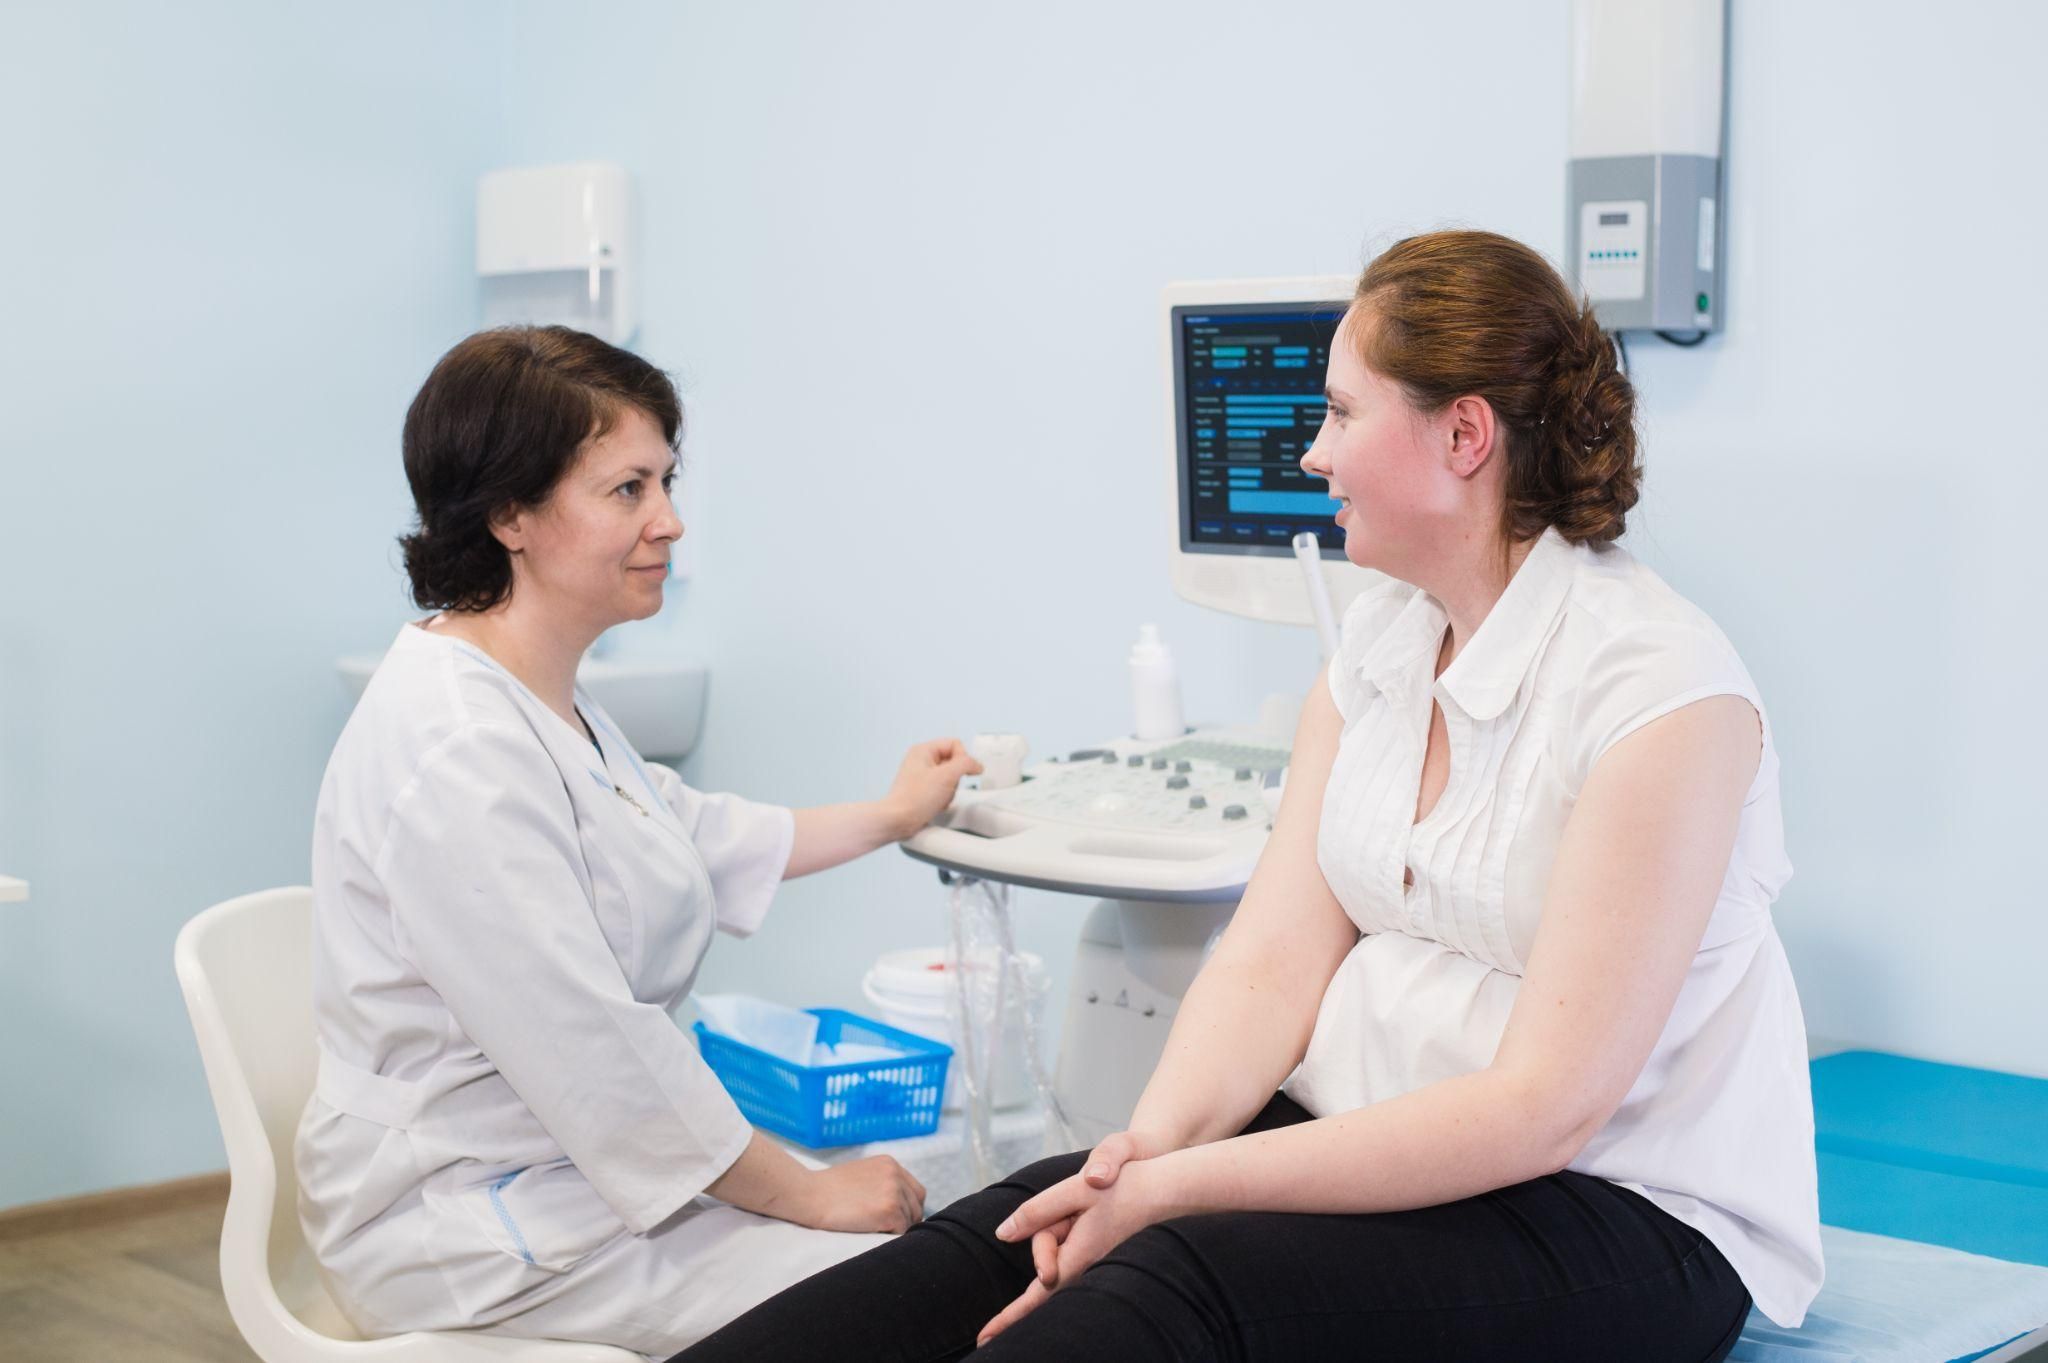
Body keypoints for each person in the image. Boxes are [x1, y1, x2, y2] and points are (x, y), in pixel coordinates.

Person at [670, 230, 1823, 1363]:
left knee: (1172, 1287)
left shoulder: (1657, 693)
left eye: (1338, 412)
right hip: (1378, 1134)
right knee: (1003, 1235)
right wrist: (1135, 1156)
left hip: (1620, 1207)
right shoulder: (1377, 646)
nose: (1311, 455)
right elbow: (1272, 959)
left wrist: (1179, 1190)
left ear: (1462, 434)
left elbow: (1542, 1107)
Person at [296, 325, 980, 1354]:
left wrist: (890, 816)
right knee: (904, 1291)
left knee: (934, 1263)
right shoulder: (454, 750)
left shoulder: (535, 700)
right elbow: (596, 1056)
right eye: (628, 489)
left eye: (665, 480)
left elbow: (688, 835)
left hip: (577, 1175)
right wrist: (803, 1192)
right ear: (510, 514)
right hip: (471, 1223)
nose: (669, 521)